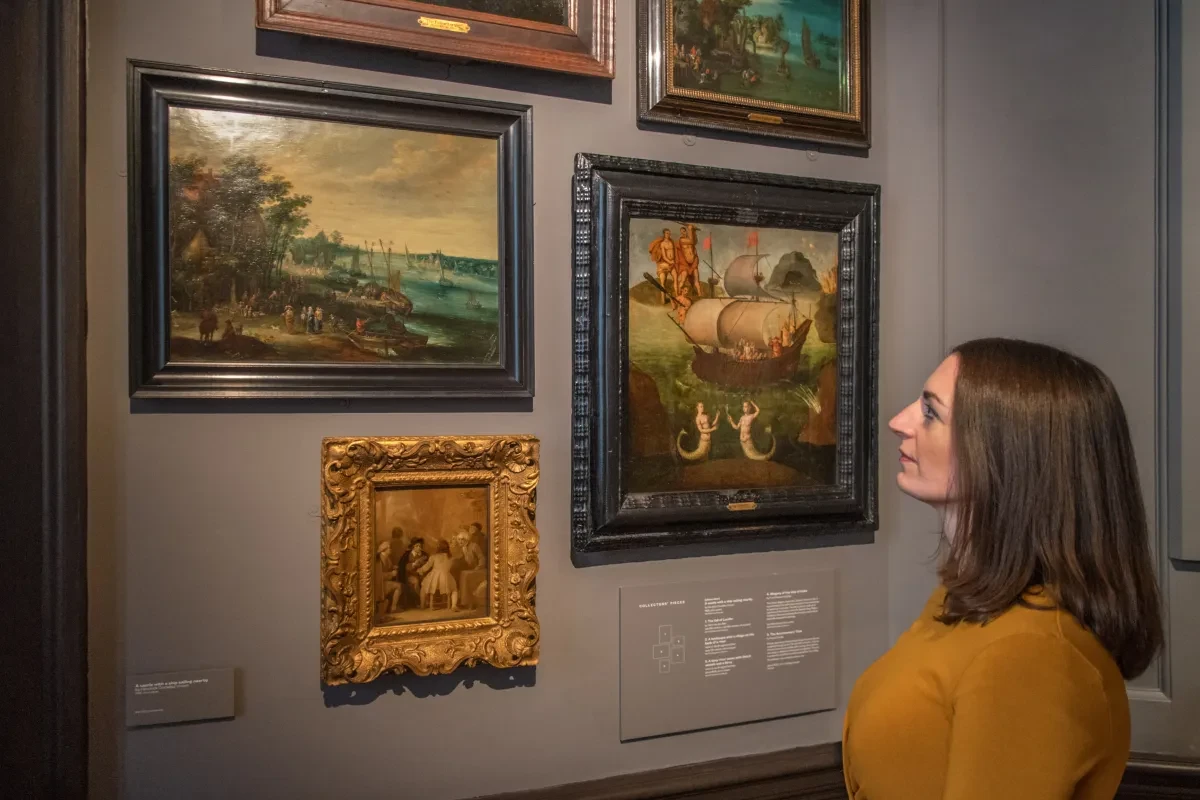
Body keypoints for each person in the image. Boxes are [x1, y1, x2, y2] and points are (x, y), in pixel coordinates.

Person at [842, 338, 1163, 800]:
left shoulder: (1031, 658)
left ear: (1006, 452)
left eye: (931, 412)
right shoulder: (965, 599)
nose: (899, 422)